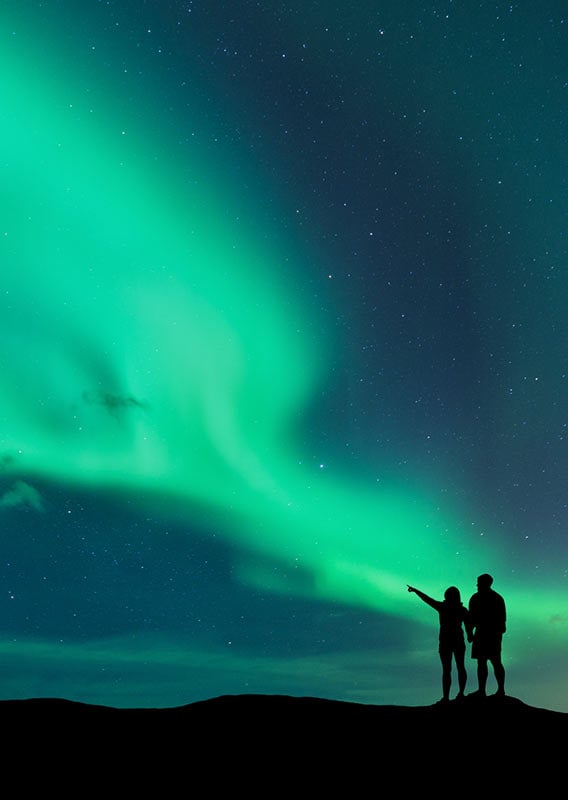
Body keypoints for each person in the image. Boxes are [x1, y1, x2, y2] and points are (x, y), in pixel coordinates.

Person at [407, 584, 472, 703]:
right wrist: (469, 635)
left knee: (448, 670)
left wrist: (416, 590)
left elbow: (427, 599)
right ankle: (459, 694)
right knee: (459, 667)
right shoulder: (462, 610)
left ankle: (447, 697)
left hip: (446, 641)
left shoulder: (443, 607)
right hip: (457, 640)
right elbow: (468, 624)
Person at [468, 573, 506, 697]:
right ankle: (483, 690)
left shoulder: (494, 598)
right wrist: (470, 632)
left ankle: (499, 690)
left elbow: (502, 621)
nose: (477, 585)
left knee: (494, 662)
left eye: (479, 582)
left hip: (490, 634)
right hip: (485, 634)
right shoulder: (494, 598)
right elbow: (471, 619)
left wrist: (470, 632)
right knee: (484, 662)